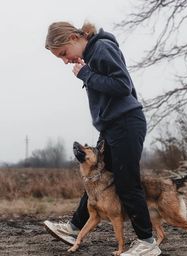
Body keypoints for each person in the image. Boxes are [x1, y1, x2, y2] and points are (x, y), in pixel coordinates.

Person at [44, 21, 161, 256]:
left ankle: (147, 243)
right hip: (111, 126)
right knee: (97, 177)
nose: (65, 61)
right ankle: (74, 227)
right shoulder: (91, 54)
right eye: (61, 58)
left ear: (74, 38)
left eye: (64, 54)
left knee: (127, 182)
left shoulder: (102, 48)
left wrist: (86, 74)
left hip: (126, 123)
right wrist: (88, 73)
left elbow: (122, 85)